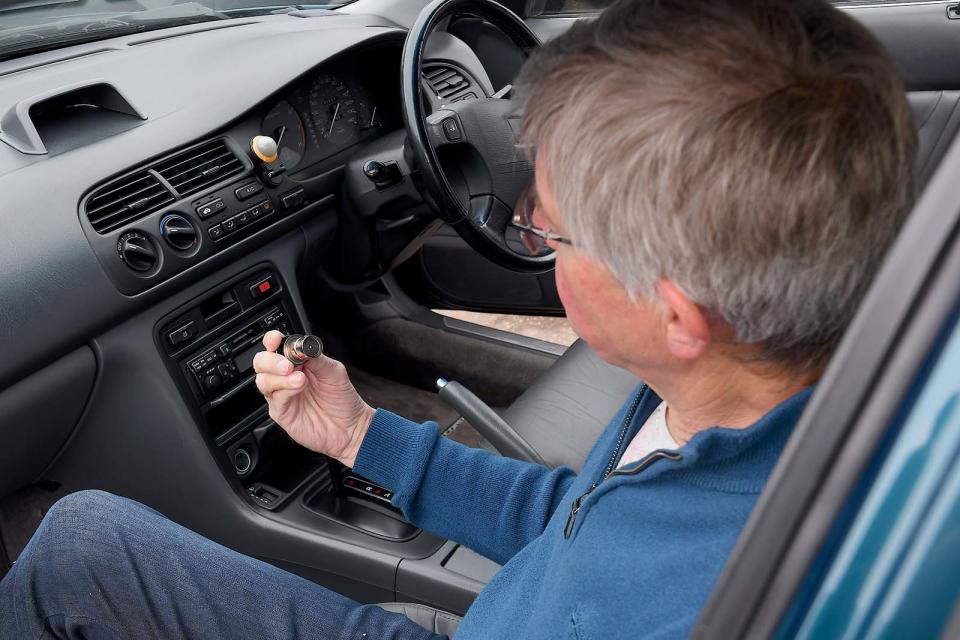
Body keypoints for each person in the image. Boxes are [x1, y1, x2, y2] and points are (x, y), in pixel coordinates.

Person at [0, 0, 917, 638]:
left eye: (546, 229)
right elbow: (581, 524)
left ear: (674, 311)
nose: (529, 230)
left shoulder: (704, 603)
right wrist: (363, 436)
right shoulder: (724, 401)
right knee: (84, 538)